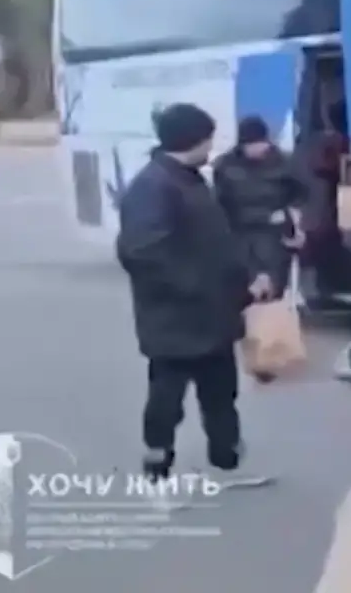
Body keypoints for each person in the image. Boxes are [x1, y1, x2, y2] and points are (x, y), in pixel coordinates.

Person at [116, 103, 273, 504]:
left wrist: (245, 279)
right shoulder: (153, 187)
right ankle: (157, 471)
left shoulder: (190, 180)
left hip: (212, 317)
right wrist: (201, 289)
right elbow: (142, 253)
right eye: (207, 138)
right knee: (167, 401)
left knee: (221, 395)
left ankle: (226, 461)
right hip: (174, 320)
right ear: (192, 140)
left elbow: (216, 242)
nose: (211, 146)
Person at [213, 116, 308, 302]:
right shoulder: (225, 165)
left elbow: (302, 196)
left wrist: (298, 226)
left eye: (260, 143)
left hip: (274, 232)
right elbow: (220, 202)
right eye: (251, 144)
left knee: (273, 282)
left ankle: (272, 304)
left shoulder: (285, 162)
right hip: (239, 231)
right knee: (243, 285)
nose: (257, 149)